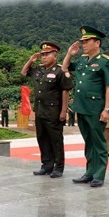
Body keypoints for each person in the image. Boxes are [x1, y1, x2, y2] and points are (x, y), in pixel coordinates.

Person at [62, 25, 109, 188]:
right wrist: (69, 54)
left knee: (98, 142)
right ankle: (89, 172)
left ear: (97, 43)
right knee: (88, 141)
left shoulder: (106, 61)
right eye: (82, 41)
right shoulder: (82, 60)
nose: (83, 44)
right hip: (81, 107)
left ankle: (99, 174)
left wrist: (107, 109)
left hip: (95, 108)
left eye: (87, 41)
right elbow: (64, 68)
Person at [21, 42, 73, 178]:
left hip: (54, 111)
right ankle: (46, 165)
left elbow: (65, 91)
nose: (43, 57)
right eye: (42, 55)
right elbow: (24, 72)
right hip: (40, 110)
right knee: (42, 138)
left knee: (55, 140)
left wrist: (63, 111)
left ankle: (58, 167)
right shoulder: (39, 69)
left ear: (55, 56)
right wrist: (30, 60)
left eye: (47, 54)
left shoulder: (60, 71)